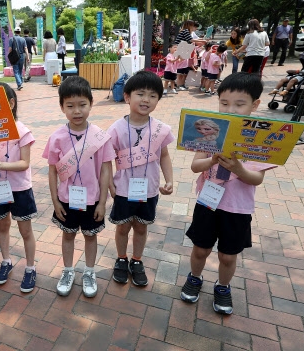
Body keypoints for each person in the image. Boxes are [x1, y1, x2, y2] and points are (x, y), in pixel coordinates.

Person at [180, 72, 276, 314]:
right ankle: (194, 277)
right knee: (200, 248)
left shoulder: (259, 139)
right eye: (224, 103)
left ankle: (223, 287)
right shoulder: (209, 131)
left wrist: (239, 169)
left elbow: (257, 179)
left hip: (237, 209)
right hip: (207, 203)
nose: (230, 109)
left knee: (228, 256)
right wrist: (212, 160)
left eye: (239, 104)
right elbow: (195, 166)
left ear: (255, 105)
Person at [43, 76, 114, 298]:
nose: (77, 111)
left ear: (91, 104)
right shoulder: (57, 138)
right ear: (62, 107)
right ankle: (67, 270)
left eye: (82, 105)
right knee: (68, 235)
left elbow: (105, 170)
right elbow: (53, 170)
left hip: (93, 199)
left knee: (91, 236)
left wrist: (103, 202)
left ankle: (89, 272)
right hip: (67, 199)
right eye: (70, 106)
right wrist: (55, 201)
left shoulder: (100, 137)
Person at [108, 71, 174, 286]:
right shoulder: (116, 129)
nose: (146, 99)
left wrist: (169, 179)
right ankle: (121, 258)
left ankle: (137, 260)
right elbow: (106, 160)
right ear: (127, 97)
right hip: (124, 189)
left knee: (141, 227)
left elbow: (164, 155)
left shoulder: (160, 129)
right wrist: (110, 186)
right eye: (140, 94)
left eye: (153, 95)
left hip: (149, 189)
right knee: (123, 227)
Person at [0, 82, 38, 293]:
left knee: (25, 230)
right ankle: (6, 261)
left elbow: (25, 163)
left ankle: (30, 267)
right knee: (2, 225)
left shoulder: (22, 131)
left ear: (11, 103)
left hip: (20, 189)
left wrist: (3, 165)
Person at [174, 20, 207, 91]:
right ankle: (179, 85)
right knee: (181, 69)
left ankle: (181, 84)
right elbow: (191, 40)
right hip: (182, 49)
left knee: (184, 68)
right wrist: (202, 41)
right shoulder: (185, 31)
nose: (194, 27)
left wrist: (202, 40)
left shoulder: (187, 32)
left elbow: (193, 39)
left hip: (185, 49)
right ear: (189, 25)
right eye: (193, 25)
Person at [8, 27, 29, 91]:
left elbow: (10, 49)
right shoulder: (23, 39)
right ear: (20, 32)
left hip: (15, 56)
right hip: (21, 56)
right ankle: (20, 82)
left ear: (14, 32)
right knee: (20, 70)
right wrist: (27, 57)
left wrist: (9, 56)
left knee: (16, 71)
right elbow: (25, 48)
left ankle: (19, 84)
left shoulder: (11, 39)